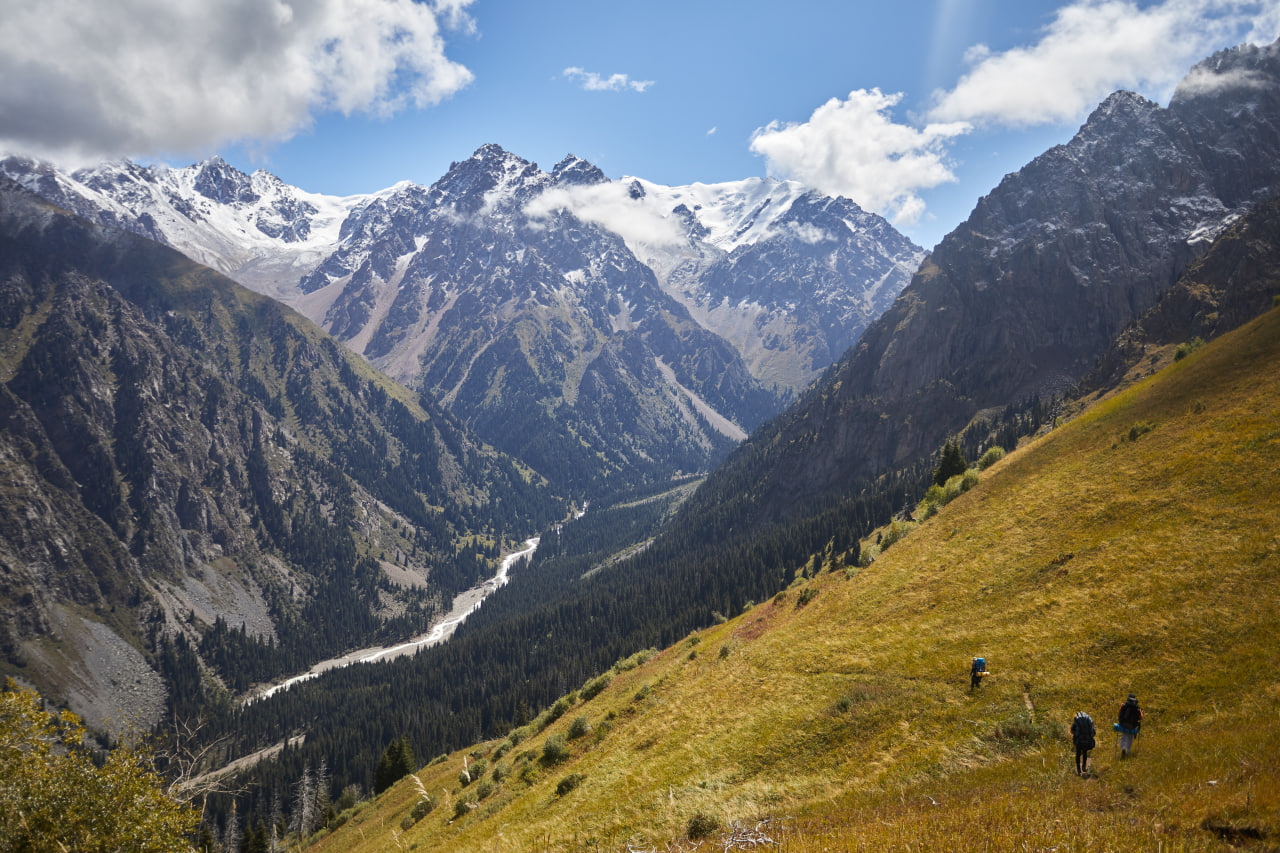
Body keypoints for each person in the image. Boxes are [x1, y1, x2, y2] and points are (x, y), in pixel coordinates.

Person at [1070, 711, 1096, 775]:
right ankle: (1084, 767)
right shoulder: (1088, 721)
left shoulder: (1077, 721)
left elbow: (1072, 731)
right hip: (1086, 740)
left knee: (1078, 754)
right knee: (1085, 752)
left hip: (1079, 741)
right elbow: (1093, 733)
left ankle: (1078, 769)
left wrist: (1076, 735)